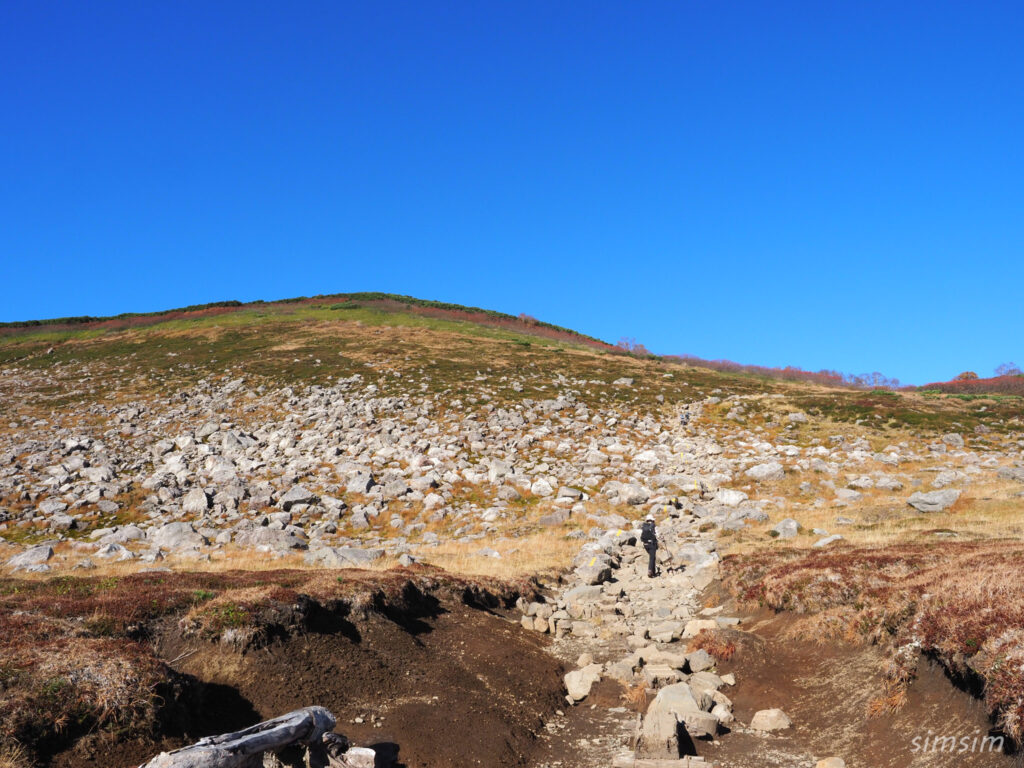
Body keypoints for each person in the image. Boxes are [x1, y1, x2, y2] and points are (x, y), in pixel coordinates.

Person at [640, 514, 658, 578]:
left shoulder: (644, 526)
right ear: (652, 520)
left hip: (645, 544)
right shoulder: (653, 526)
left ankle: (653, 572)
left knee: (652, 557)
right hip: (652, 544)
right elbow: (657, 534)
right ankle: (650, 571)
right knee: (652, 558)